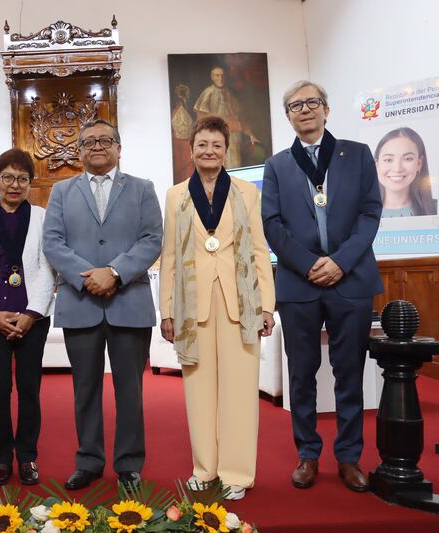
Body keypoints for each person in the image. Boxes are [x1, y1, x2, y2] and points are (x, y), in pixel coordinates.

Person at [262, 81, 383, 493]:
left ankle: (349, 457)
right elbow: (272, 225)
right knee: (302, 374)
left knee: (349, 373)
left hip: (351, 281)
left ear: (326, 110)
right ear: (289, 116)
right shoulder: (277, 165)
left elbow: (370, 213)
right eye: (296, 105)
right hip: (300, 283)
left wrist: (341, 262)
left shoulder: (358, 154)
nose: (305, 109)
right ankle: (308, 454)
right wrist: (312, 263)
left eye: (312, 102)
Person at [158, 116, 275, 501]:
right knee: (198, 390)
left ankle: (236, 472)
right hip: (193, 304)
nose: (209, 151)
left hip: (240, 302)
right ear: (191, 149)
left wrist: (267, 307)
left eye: (217, 145)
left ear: (227, 150)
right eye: (202, 144)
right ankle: (204, 469)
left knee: (241, 390)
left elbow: (259, 250)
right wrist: (167, 311)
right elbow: (170, 256)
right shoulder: (176, 195)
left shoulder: (246, 192)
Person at [43, 118, 163, 490]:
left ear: (119, 147)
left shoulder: (142, 189)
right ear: (79, 151)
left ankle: (129, 463)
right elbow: (53, 242)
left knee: (130, 390)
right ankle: (89, 461)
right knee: (85, 389)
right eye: (90, 141)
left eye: (105, 140)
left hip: (129, 300)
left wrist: (113, 272)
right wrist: (90, 275)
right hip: (81, 303)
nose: (98, 146)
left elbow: (152, 238)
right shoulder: (61, 191)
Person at [0, 148, 55, 486]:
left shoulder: (44, 217)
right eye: (7, 178)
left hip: (33, 319)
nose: (14, 185)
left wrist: (32, 313)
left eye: (21, 178)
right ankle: (1, 459)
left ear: (31, 183)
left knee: (29, 390)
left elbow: (48, 269)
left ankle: (28, 457)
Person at [194, 66, 259, 170]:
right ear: (212, 77)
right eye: (217, 75)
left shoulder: (229, 93)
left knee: (234, 164)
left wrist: (250, 134)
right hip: (215, 136)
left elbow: (240, 118)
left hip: (232, 136)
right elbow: (200, 118)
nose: (221, 78)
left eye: (223, 75)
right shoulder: (208, 93)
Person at [374, 127, 436, 217]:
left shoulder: (435, 209)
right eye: (388, 160)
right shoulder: (358, 214)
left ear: (419, 164)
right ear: (377, 165)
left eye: (408, 159)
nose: (397, 169)